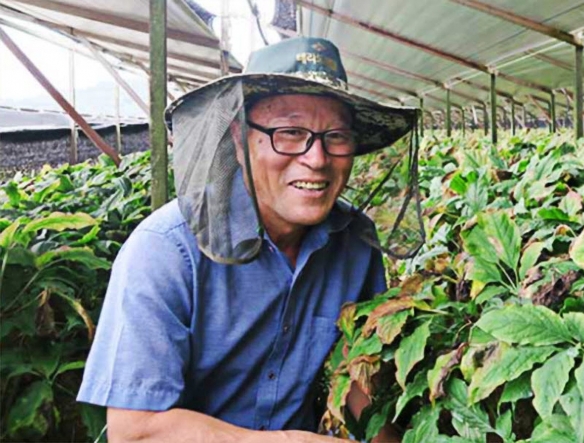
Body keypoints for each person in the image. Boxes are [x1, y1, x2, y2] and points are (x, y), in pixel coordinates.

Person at [77, 36, 420, 442]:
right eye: (290, 132)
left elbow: (356, 378)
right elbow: (136, 431)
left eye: (337, 137)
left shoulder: (354, 243)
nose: (317, 158)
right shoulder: (165, 251)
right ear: (239, 140)